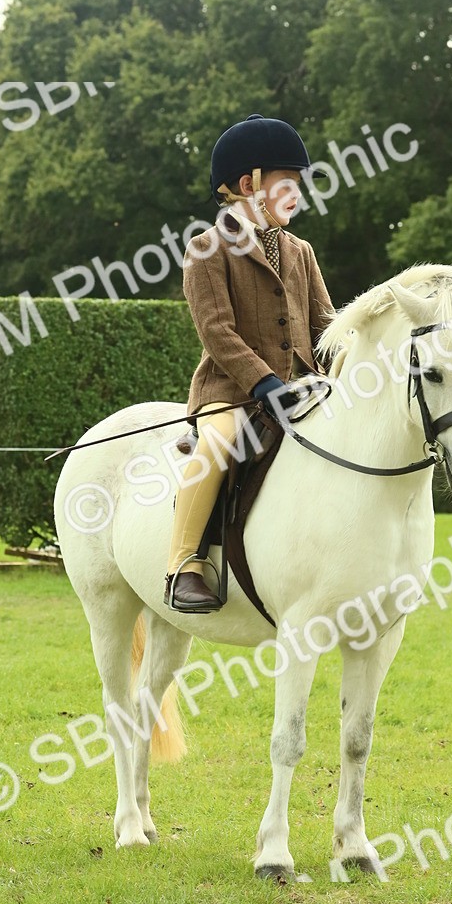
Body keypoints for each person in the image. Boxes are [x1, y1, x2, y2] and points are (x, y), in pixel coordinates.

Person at [164, 113, 336, 613]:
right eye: (289, 185)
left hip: (303, 388)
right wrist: (261, 382)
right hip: (233, 392)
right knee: (219, 444)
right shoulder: (207, 249)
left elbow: (326, 325)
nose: (298, 197)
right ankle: (183, 564)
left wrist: (343, 369)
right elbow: (217, 332)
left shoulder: (300, 251)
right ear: (249, 184)